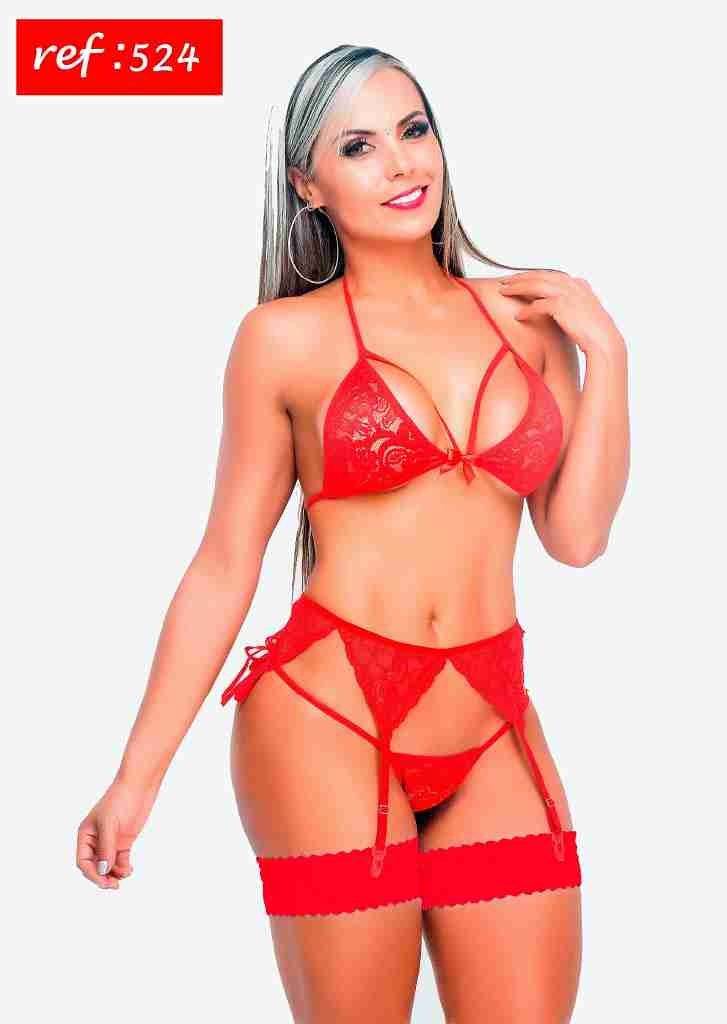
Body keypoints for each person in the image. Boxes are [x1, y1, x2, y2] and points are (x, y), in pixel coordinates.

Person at [76, 44, 630, 1023]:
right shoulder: (283, 340)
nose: (402, 163)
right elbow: (225, 562)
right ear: (309, 184)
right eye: (359, 146)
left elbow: (576, 538)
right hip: (326, 714)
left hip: (491, 709)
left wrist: (609, 353)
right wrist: (136, 778)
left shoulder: (531, 324)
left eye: (414, 131)